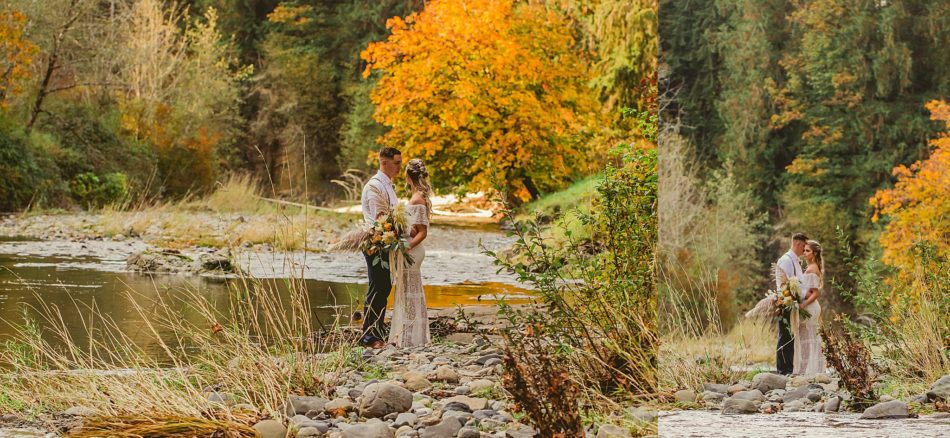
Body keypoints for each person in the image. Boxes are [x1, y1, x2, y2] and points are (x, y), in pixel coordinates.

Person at [359, 147, 401, 348]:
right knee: (378, 288)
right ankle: (369, 337)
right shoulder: (374, 187)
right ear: (384, 163)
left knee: (383, 287)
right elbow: (381, 219)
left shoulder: (389, 186)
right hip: (375, 243)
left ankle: (376, 332)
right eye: (397, 163)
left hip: (385, 241)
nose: (400, 167)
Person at [388, 158, 432, 347]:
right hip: (410, 251)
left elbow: (422, 232)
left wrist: (406, 247)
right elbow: (414, 228)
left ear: (408, 177)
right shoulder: (417, 197)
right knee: (407, 292)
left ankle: (413, 338)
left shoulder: (417, 200)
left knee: (410, 293)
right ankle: (408, 336)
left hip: (412, 253)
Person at [775, 232, 807, 375]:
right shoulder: (786, 260)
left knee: (791, 336)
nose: (804, 250)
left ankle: (789, 368)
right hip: (785, 302)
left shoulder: (796, 261)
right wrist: (792, 299)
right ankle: (782, 370)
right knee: (785, 335)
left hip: (793, 303)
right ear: (798, 244)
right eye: (804, 247)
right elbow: (784, 284)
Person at [794, 239, 826, 375]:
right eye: (804, 250)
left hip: (810, 307)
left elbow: (816, 293)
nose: (804, 253)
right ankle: (806, 369)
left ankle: (809, 371)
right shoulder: (810, 266)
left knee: (808, 338)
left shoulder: (812, 268)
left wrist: (803, 304)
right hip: (808, 306)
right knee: (807, 338)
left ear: (814, 253)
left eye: (807, 251)